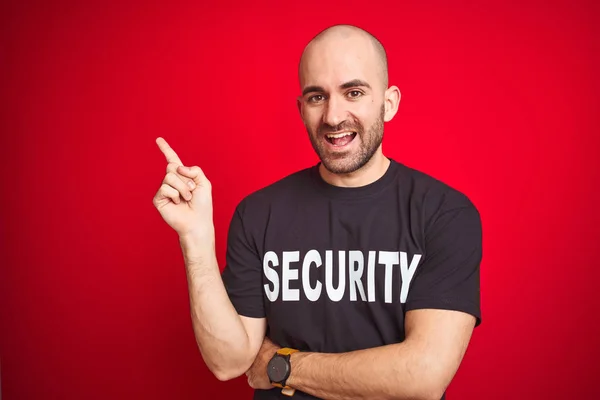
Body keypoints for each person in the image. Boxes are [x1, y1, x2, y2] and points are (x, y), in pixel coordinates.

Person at [153, 24, 482, 400]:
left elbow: (423, 375)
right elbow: (228, 361)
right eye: (316, 97)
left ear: (388, 103)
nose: (333, 116)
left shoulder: (444, 214)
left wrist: (283, 366)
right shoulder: (259, 213)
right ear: (301, 109)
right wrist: (195, 239)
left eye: (353, 92)